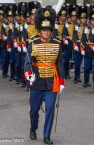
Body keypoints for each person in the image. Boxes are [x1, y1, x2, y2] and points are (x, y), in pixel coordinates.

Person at [24, 7, 65, 145]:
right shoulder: (33, 43)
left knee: (50, 109)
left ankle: (46, 135)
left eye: (48, 30)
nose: (46, 32)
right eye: (44, 30)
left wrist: (62, 82)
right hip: (36, 81)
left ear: (51, 31)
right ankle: (33, 128)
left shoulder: (57, 44)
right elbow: (27, 63)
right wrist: (28, 75)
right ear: (40, 30)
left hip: (52, 81)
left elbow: (60, 64)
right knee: (34, 109)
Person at [81, 6, 94, 87]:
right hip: (87, 50)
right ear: (90, 21)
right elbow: (83, 39)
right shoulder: (86, 29)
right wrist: (82, 48)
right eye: (92, 20)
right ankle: (86, 81)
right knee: (86, 68)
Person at [62, 4, 77, 79]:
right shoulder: (67, 24)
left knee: (76, 61)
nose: (74, 18)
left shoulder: (77, 25)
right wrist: (65, 40)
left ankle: (76, 76)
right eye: (73, 16)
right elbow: (63, 34)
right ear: (70, 17)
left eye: (75, 16)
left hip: (75, 44)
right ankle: (66, 73)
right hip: (68, 44)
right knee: (66, 60)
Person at [72, 5, 87, 83]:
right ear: (80, 19)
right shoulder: (76, 27)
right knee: (77, 63)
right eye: (82, 18)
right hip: (78, 46)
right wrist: (75, 45)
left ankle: (85, 80)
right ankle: (76, 76)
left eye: (84, 18)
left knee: (86, 65)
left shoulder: (88, 27)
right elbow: (74, 37)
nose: (83, 20)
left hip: (85, 46)